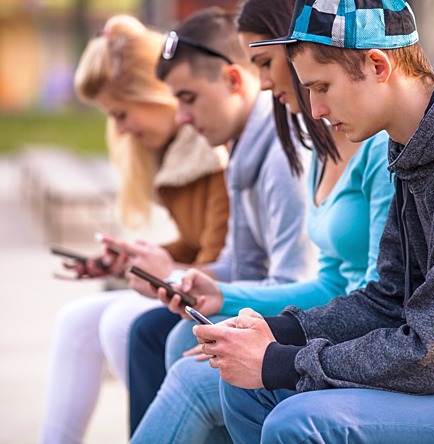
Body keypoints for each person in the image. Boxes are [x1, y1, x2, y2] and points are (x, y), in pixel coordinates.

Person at [195, 1, 434, 442]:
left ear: (378, 64)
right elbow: (388, 300)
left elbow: (430, 354)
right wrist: (279, 330)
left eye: (322, 86)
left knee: (301, 421)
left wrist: (280, 361)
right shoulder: (415, 148)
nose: (315, 109)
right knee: (247, 390)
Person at [128, 0, 393, 441]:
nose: (264, 80)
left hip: (359, 341)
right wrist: (222, 295)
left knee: (196, 376)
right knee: (186, 344)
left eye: (266, 62)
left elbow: (379, 298)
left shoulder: (376, 145)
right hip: (333, 321)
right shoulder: (322, 147)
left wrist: (269, 343)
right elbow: (328, 282)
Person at [122, 6, 318, 436]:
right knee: (168, 335)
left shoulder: (288, 155)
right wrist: (182, 278)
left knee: (184, 358)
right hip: (275, 317)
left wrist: (185, 278)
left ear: (233, 80)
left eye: (188, 98)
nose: (182, 118)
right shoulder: (245, 147)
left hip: (306, 329)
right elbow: (237, 261)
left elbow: (297, 281)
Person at [38, 15, 230, 444]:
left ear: (155, 93)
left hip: (233, 295)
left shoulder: (210, 151)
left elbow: (221, 262)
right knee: (77, 319)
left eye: (122, 113)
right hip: (206, 282)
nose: (121, 129)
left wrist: (161, 267)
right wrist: (131, 261)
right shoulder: (174, 155)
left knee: (122, 323)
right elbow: (196, 244)